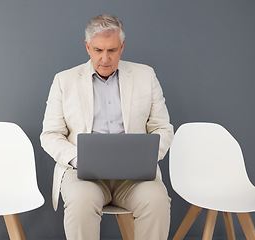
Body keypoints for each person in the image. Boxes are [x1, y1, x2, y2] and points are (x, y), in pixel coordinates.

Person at [40, 14, 174, 240]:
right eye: (98, 50)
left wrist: (147, 159)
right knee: (81, 201)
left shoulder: (145, 76)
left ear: (122, 47)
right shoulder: (64, 81)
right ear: (87, 47)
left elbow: (163, 127)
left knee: (157, 200)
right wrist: (78, 158)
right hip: (83, 175)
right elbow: (50, 134)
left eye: (112, 50)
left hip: (134, 176)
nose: (105, 58)